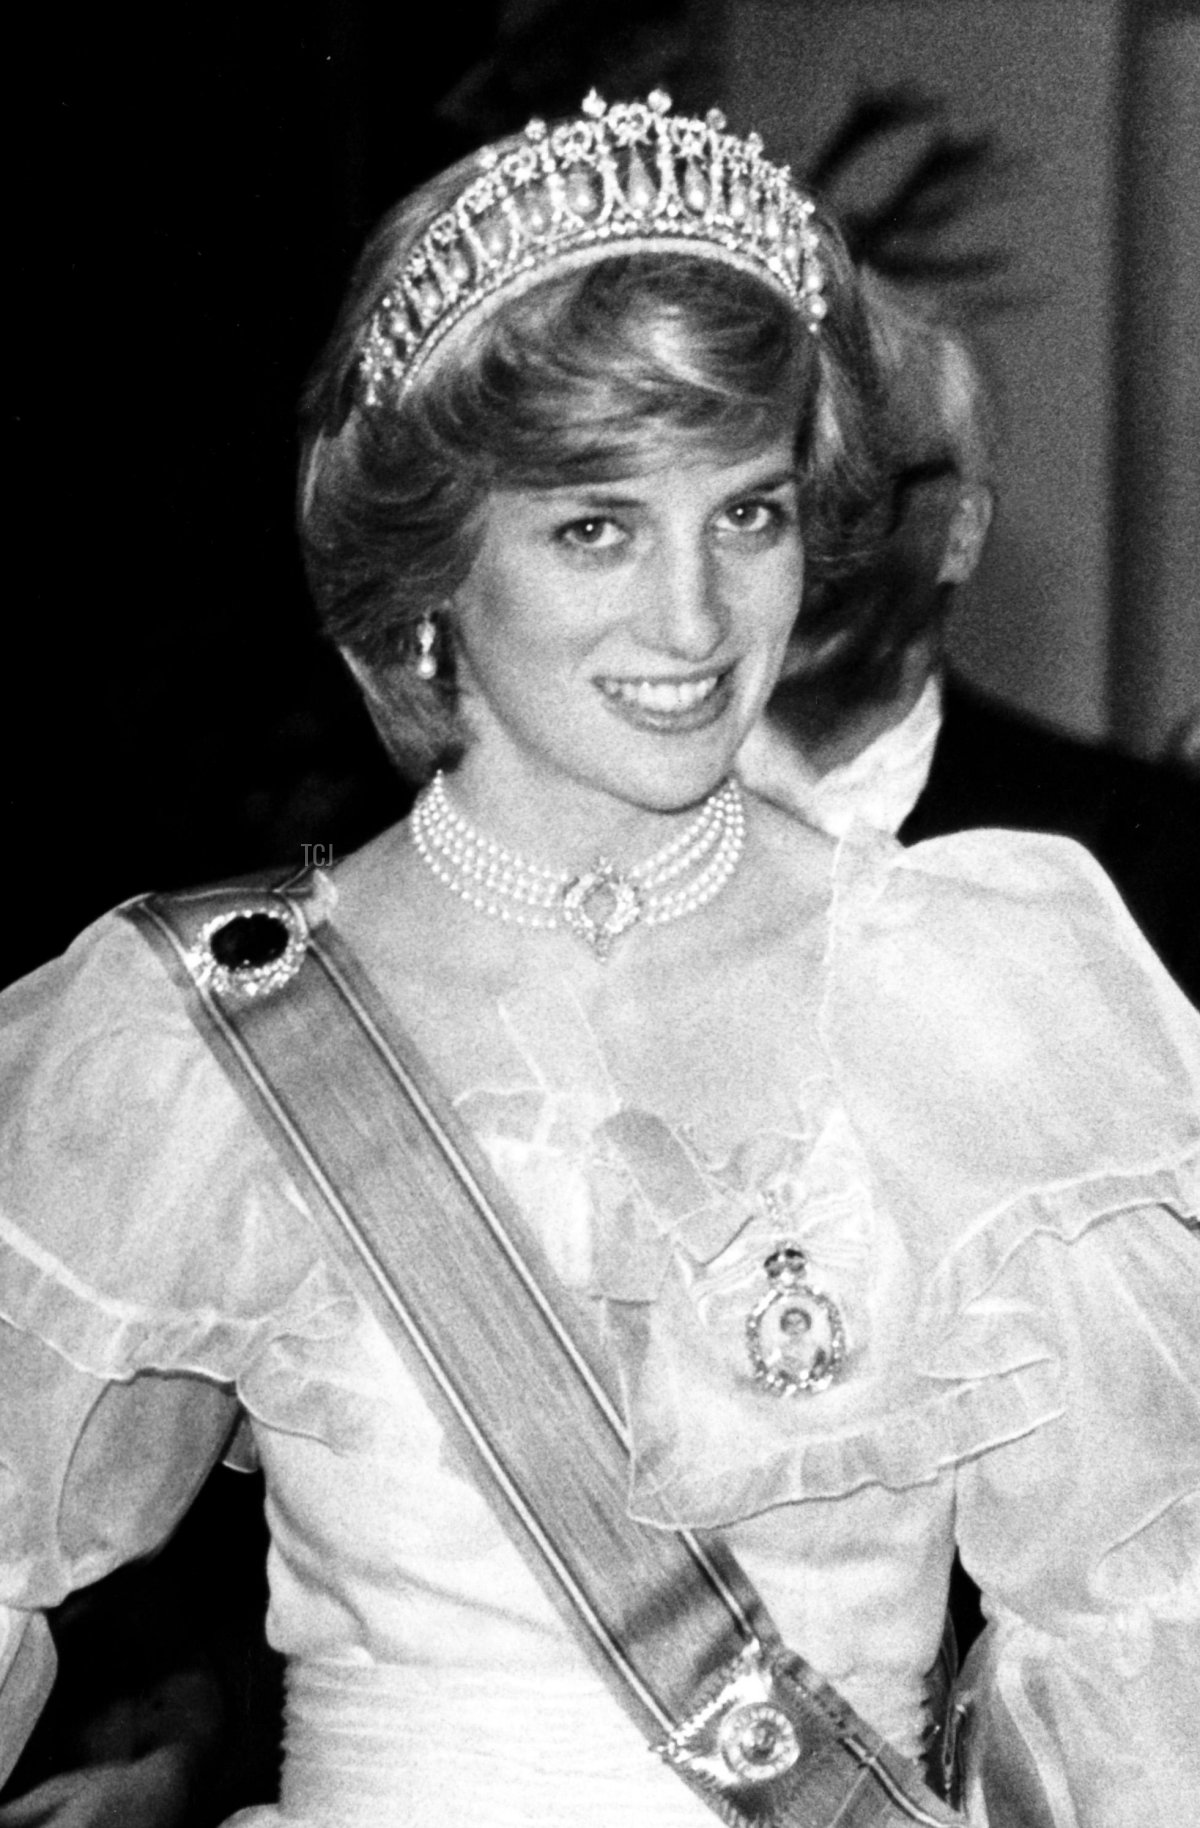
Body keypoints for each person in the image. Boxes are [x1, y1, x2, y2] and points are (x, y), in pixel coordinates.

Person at [1, 90, 1198, 1828]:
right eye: (595, 526)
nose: (699, 622)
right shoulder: (195, 1029)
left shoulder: (972, 988)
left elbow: (1146, 1664)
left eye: (752, 513)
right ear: (429, 563)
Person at [740, 278, 1200, 1004]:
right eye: (758, 509)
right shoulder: (594, 812)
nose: (805, 555)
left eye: (852, 500)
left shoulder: (1140, 855)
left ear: (961, 532)